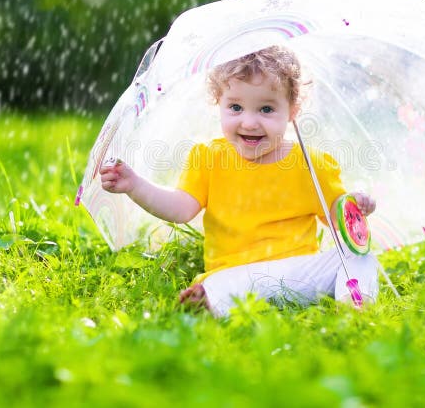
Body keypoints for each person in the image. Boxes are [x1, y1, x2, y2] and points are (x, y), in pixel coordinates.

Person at [99, 45, 379, 316]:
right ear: (218, 103)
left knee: (359, 257)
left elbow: (340, 220)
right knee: (217, 286)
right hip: (236, 276)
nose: (249, 122)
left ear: (292, 110)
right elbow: (180, 208)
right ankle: (210, 301)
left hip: (299, 273)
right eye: (235, 107)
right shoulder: (209, 158)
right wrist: (135, 185)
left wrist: (356, 204)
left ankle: (354, 307)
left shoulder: (310, 163)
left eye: (266, 109)